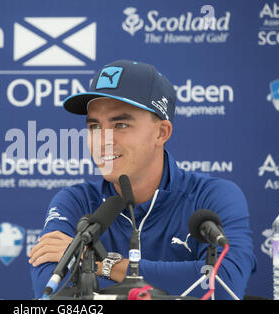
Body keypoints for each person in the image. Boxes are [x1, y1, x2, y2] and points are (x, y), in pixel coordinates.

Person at [28, 60, 257, 299]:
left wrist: (98, 264)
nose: (102, 140)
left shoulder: (213, 197)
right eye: (94, 126)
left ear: (162, 132)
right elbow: (55, 294)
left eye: (121, 124)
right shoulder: (75, 202)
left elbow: (223, 284)